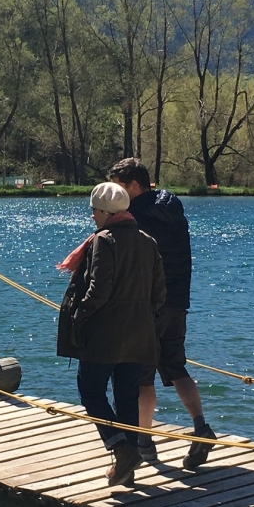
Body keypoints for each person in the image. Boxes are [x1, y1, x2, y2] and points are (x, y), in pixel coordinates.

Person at [109, 157, 217, 470]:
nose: (116, 195)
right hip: (177, 303)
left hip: (148, 305)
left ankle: (143, 442)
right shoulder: (173, 208)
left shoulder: (135, 216)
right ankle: (201, 427)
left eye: (118, 188)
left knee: (142, 377)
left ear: (133, 185)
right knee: (176, 366)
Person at [57, 182, 166, 487]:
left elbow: (97, 290)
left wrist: (79, 316)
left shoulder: (104, 241)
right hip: (140, 334)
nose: (92, 216)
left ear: (105, 211)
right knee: (127, 397)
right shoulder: (147, 240)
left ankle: (120, 448)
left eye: (94, 210)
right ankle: (126, 467)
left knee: (90, 391)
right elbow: (160, 293)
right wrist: (143, 317)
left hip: (106, 336)